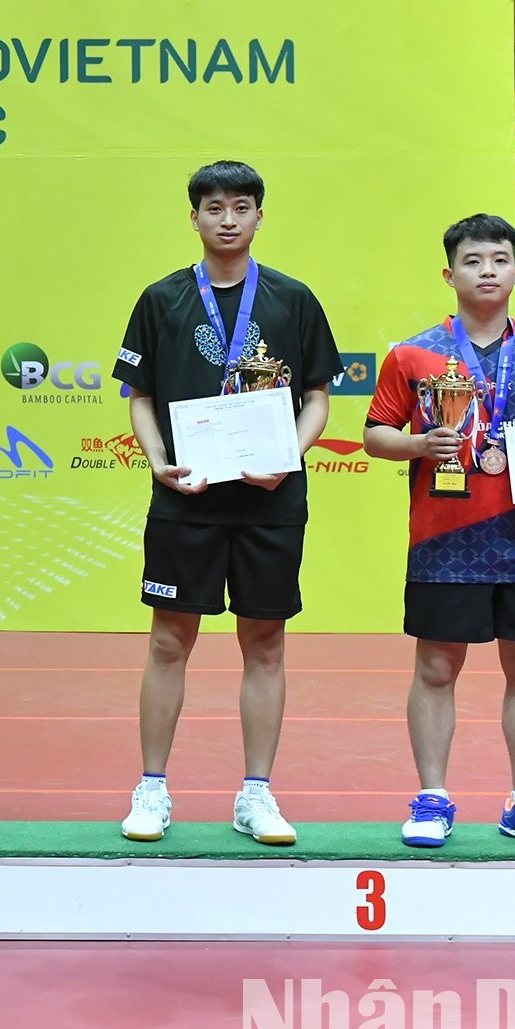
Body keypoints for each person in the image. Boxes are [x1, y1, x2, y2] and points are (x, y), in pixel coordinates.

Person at [111, 160, 340, 846]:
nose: (229, 219)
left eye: (242, 207)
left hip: (271, 499)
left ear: (260, 216)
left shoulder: (294, 298)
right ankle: (151, 789)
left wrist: (289, 455)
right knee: (168, 640)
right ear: (195, 217)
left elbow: (319, 398)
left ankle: (257, 794)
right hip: (187, 495)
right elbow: (141, 396)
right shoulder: (161, 298)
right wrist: (157, 462)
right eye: (215, 207)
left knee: (265, 642)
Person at [364, 213, 515, 851]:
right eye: (473, 261)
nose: (487, 270)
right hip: (445, 541)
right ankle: (433, 797)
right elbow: (373, 434)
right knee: (437, 667)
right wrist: (418, 441)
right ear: (450, 274)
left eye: (499, 259)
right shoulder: (412, 354)